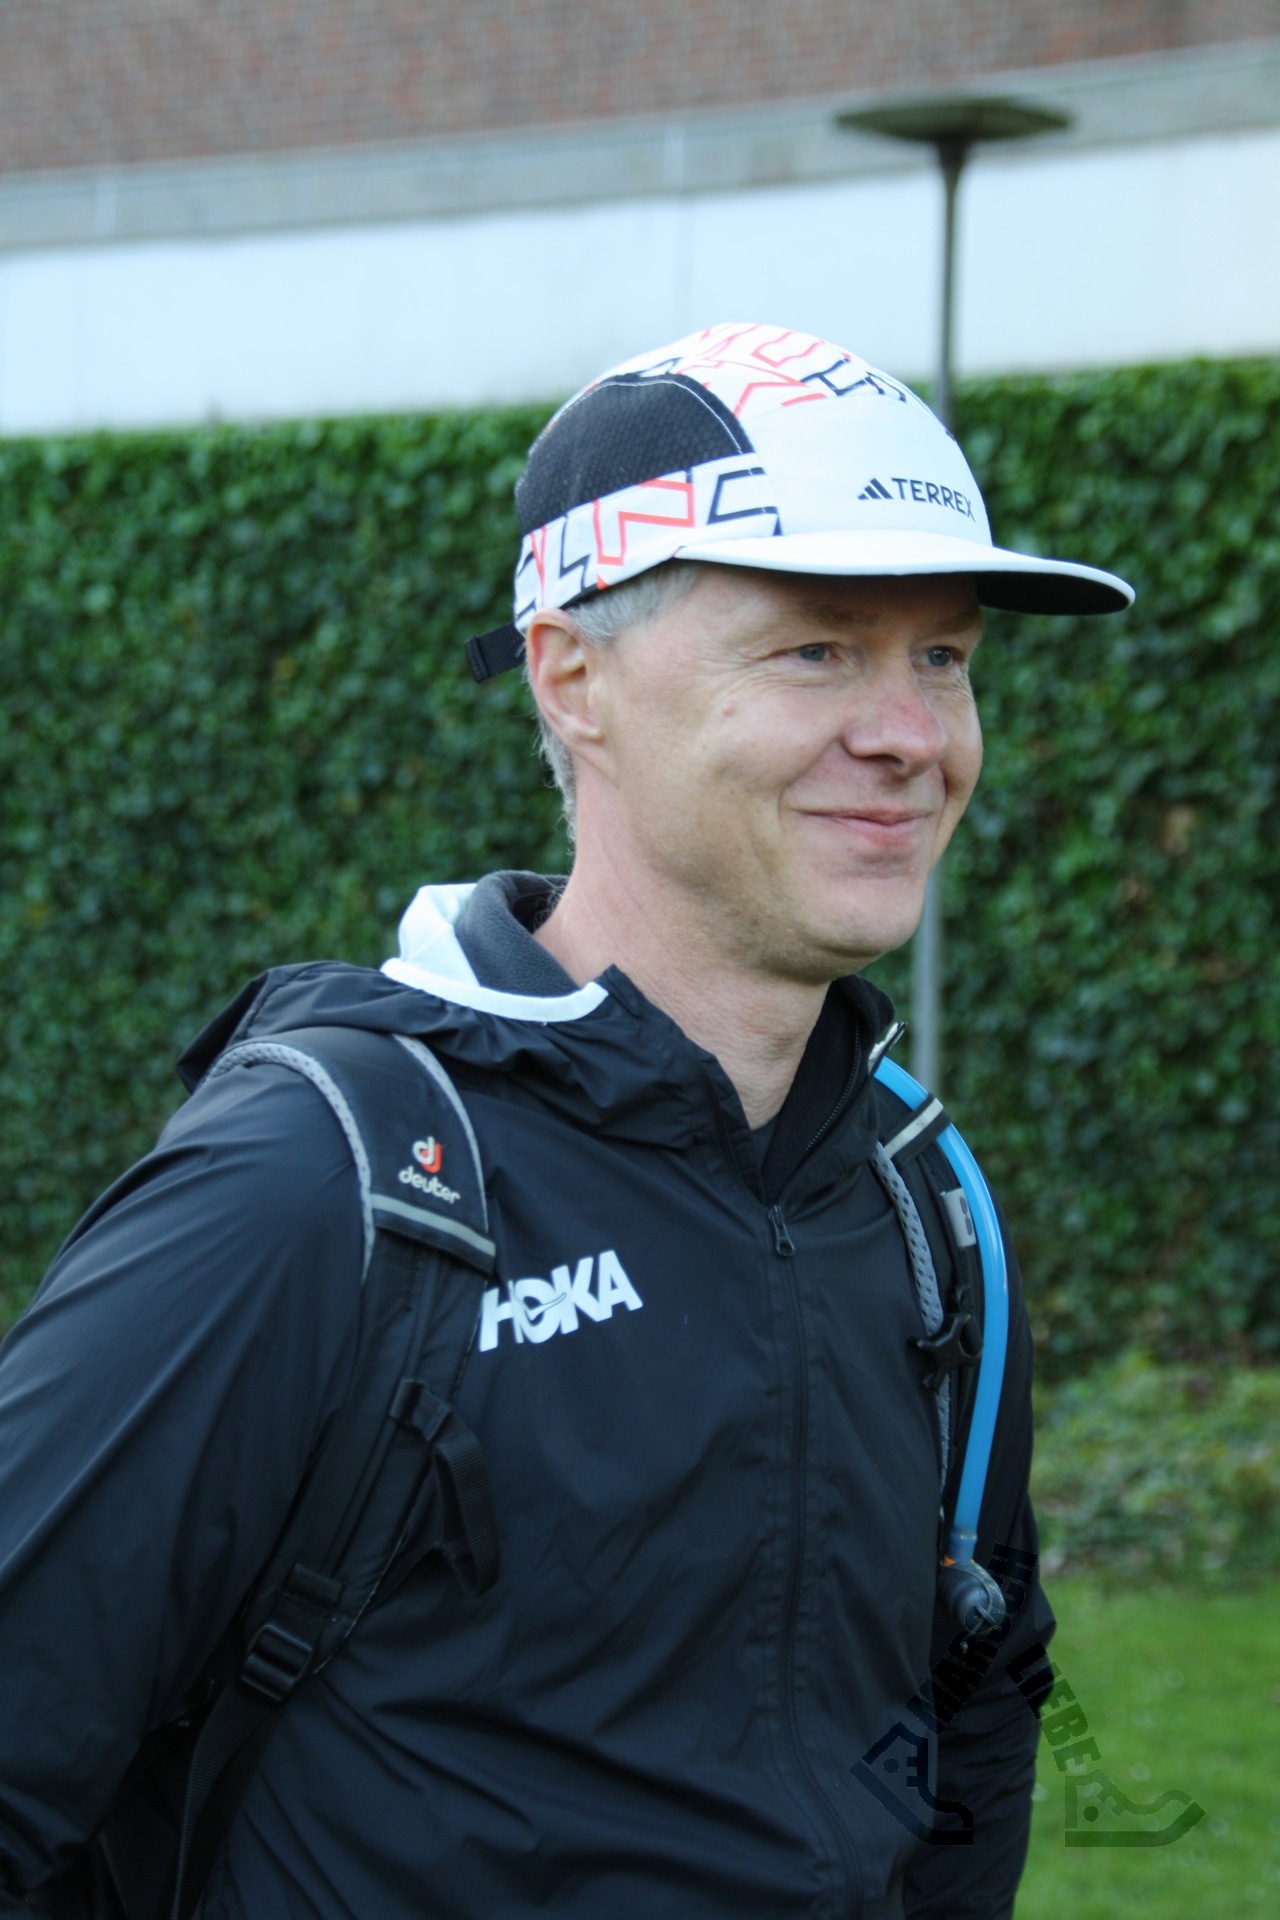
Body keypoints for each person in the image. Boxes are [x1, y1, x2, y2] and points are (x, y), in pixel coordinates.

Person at [0, 321, 1132, 1920]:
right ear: (573, 678)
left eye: (941, 657)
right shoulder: (319, 1185)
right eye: (816, 650)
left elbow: (977, 1703)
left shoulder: (918, 1196)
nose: (909, 736)